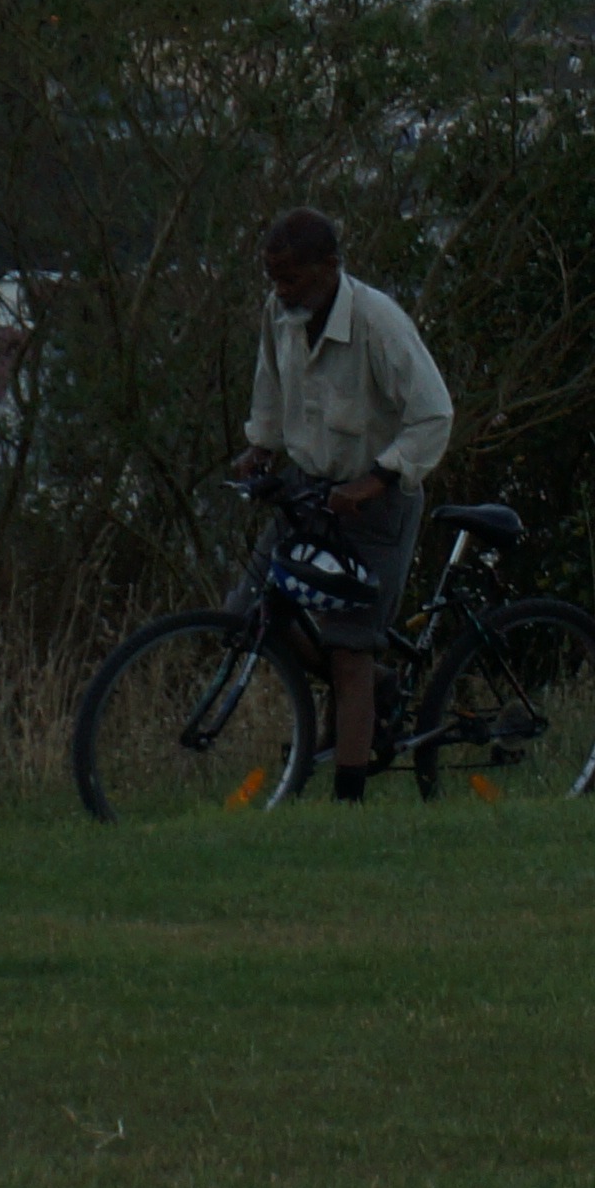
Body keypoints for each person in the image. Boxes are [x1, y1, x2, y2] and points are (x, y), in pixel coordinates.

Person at [230, 207, 454, 802]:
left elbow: (433, 415)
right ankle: (377, 685)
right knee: (246, 614)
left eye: (292, 278)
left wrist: (378, 479)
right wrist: (260, 447)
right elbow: (271, 387)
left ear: (330, 268)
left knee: (348, 648)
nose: (281, 290)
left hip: (375, 504)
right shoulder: (280, 315)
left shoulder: (379, 324)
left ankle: (347, 800)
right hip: (310, 489)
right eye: (272, 277)